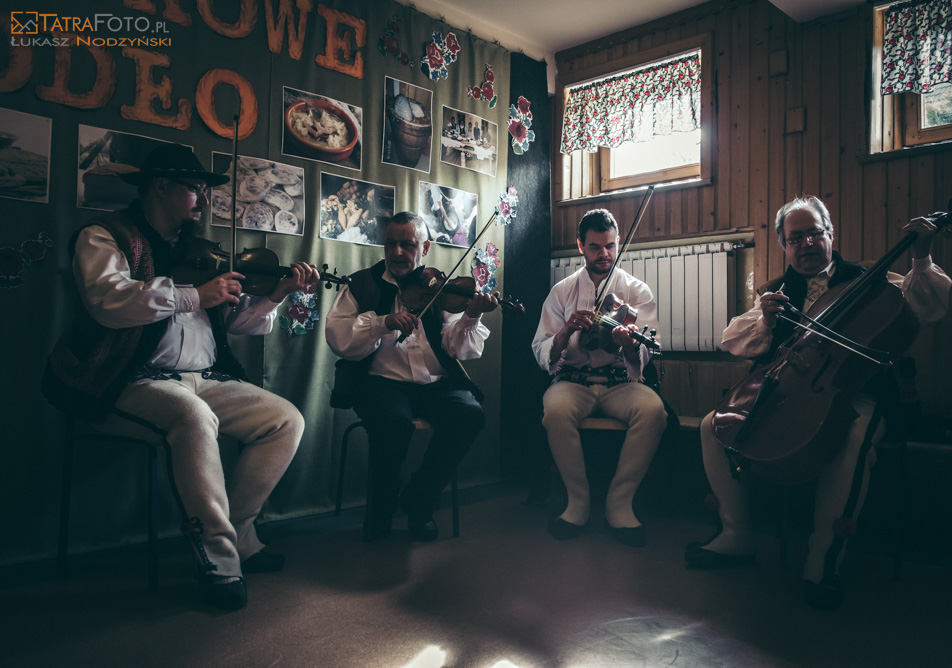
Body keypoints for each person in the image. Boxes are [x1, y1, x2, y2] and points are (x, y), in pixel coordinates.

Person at [43, 143, 319, 611]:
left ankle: (241, 532)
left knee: (285, 419)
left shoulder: (199, 250)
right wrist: (194, 295)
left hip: (205, 376)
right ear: (160, 187)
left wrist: (276, 295)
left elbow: (237, 323)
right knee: (193, 416)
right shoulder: (104, 235)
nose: (203, 200)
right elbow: (108, 301)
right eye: (194, 189)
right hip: (128, 378)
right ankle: (218, 560)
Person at [686, 195, 951, 609]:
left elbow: (926, 307)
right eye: (796, 238)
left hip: (855, 392)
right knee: (712, 424)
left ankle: (824, 557)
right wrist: (767, 319)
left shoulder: (872, 280)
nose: (806, 244)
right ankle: (735, 535)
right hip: (793, 391)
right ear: (783, 245)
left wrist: (920, 256)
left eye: (814, 233)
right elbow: (734, 340)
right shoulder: (775, 292)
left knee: (852, 435)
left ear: (830, 234)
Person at [325, 212, 499, 541]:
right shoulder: (360, 284)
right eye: (391, 244)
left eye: (408, 244)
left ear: (425, 248)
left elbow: (458, 349)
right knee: (393, 423)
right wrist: (383, 323)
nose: (398, 252)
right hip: (380, 382)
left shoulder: (440, 288)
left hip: (435, 383)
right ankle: (381, 511)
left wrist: (472, 315)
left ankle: (420, 500)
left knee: (469, 415)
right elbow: (339, 338)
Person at [531, 209, 668, 548]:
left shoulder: (637, 291)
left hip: (620, 382)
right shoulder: (562, 291)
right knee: (556, 410)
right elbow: (541, 348)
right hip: (573, 381)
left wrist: (629, 345)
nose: (604, 254)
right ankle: (577, 503)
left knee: (653, 411)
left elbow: (645, 354)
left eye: (610, 246)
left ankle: (620, 503)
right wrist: (566, 331)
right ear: (581, 246)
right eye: (595, 247)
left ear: (618, 242)